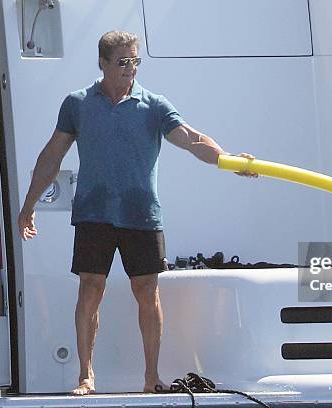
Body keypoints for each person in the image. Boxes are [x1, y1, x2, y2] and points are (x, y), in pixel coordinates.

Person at [17, 30, 257, 396]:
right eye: (123, 62)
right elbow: (52, 155)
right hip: (94, 211)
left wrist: (229, 161)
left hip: (141, 213)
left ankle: (151, 378)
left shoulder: (154, 105)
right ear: (103, 63)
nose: (131, 69)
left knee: (147, 291)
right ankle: (86, 375)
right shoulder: (78, 103)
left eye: (135, 61)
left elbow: (192, 139)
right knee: (90, 288)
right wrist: (28, 206)